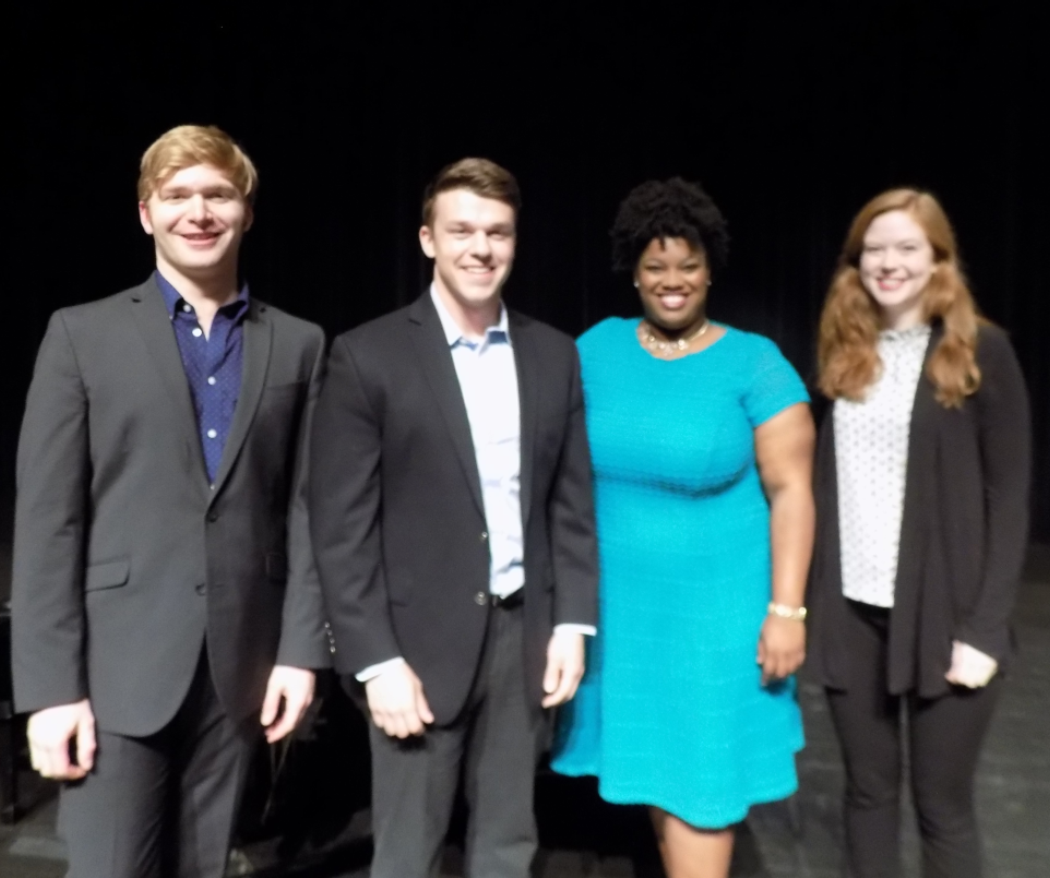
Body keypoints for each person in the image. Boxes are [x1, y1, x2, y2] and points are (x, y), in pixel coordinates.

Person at [11, 125, 330, 878]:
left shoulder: (300, 344)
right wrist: (50, 691)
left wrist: (300, 653)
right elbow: (49, 524)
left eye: (218, 193)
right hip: (116, 670)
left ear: (247, 211)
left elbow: (310, 513)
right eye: (178, 194)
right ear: (147, 213)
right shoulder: (80, 335)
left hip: (239, 670)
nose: (200, 211)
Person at [309, 157, 599, 878]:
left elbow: (570, 505)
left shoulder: (554, 354)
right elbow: (340, 531)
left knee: (508, 845)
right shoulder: (367, 355)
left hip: (521, 637)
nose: (481, 247)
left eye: (497, 232)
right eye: (462, 229)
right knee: (407, 854)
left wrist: (571, 625)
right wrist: (375, 661)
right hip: (412, 648)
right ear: (427, 239)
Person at [551, 178, 816, 878]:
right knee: (657, 788)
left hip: (713, 625)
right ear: (633, 270)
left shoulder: (754, 363)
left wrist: (787, 612)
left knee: (701, 793)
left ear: (711, 269)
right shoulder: (595, 350)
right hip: (622, 621)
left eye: (688, 265)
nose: (673, 281)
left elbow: (793, 493)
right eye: (656, 266)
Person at [807, 188, 1031, 878]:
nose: (888, 262)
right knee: (868, 794)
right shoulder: (847, 351)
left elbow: (1011, 498)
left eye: (907, 248)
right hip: (854, 614)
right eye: (873, 249)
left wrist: (985, 631)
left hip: (948, 617)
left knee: (943, 806)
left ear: (938, 259)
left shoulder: (980, 350)